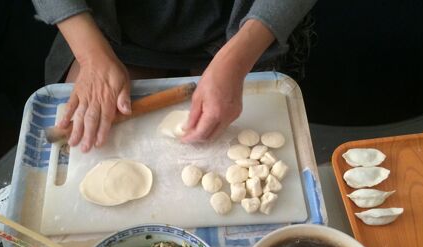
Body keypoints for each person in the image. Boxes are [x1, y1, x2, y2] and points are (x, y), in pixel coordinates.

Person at [32, 0, 316, 152]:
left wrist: (238, 58)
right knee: (86, 149)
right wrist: (90, 55)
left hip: (238, 30)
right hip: (108, 34)